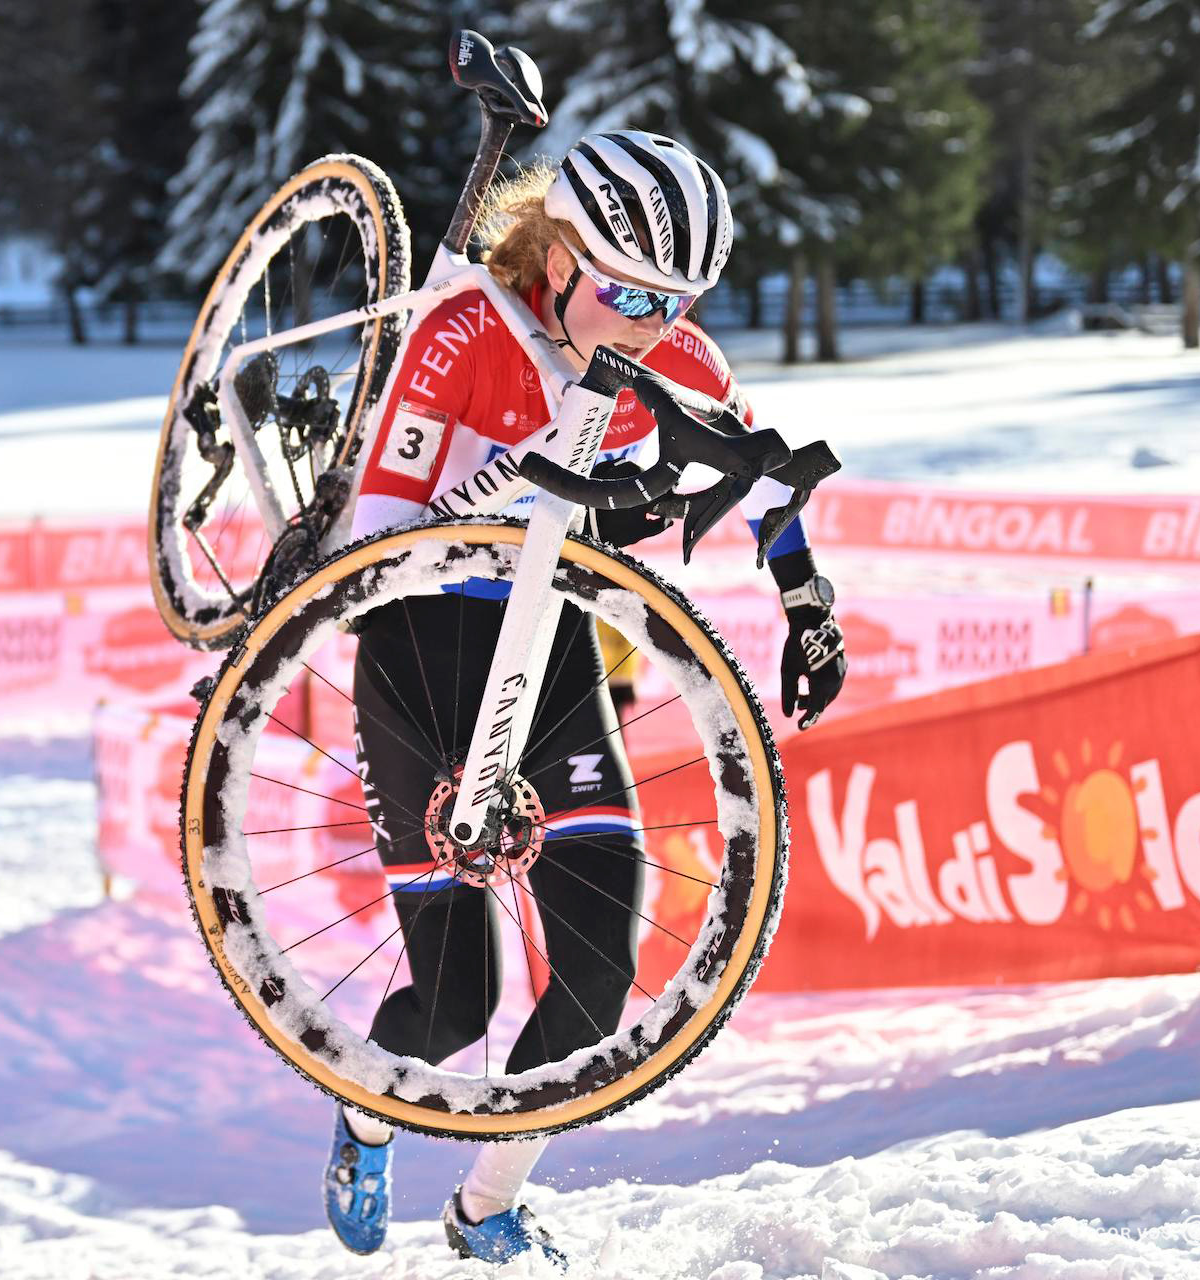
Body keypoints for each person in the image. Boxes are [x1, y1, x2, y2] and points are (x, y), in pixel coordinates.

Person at [323, 131, 848, 1267]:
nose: (653, 326)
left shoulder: (676, 351)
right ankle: (366, 1114)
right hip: (421, 649)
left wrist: (807, 600)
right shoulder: (465, 333)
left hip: (550, 645)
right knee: (455, 1001)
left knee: (602, 969)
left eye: (678, 300)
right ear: (555, 258)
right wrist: (513, 486)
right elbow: (371, 552)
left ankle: (486, 1205)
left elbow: (756, 470)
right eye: (625, 294)